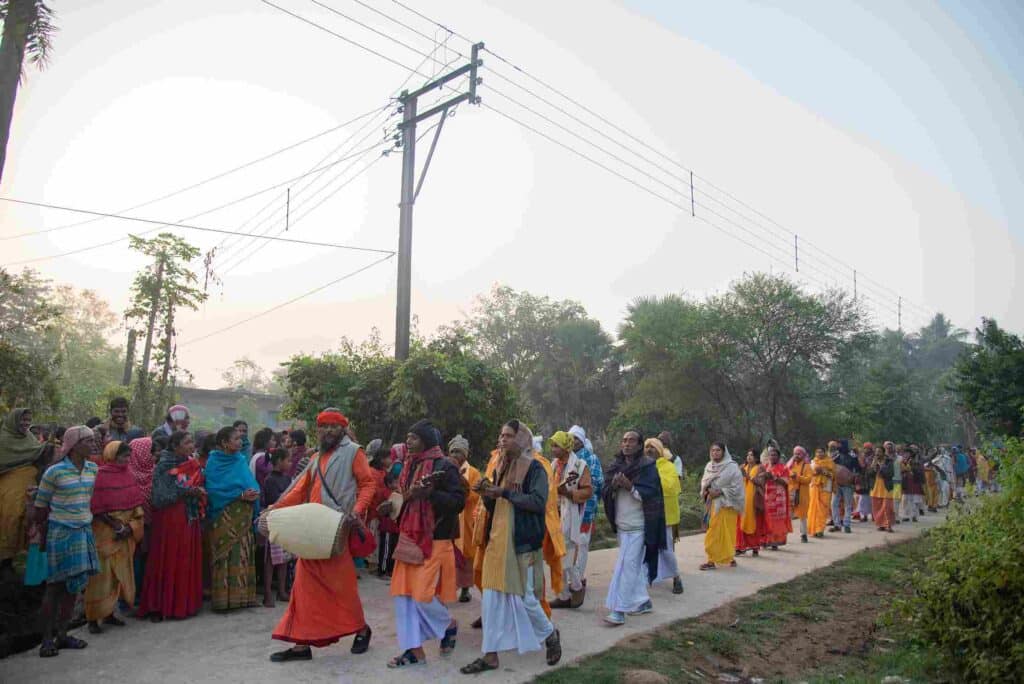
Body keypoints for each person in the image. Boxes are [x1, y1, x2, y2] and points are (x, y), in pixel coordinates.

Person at [266, 409, 375, 663]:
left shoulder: (353, 452)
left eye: (333, 427)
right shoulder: (316, 457)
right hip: (312, 529)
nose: (327, 431)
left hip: (337, 528)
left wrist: (357, 511)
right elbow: (300, 489)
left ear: (342, 429)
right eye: (323, 427)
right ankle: (301, 646)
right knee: (303, 586)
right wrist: (275, 507)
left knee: (341, 586)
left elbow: (368, 484)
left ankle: (361, 629)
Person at [459, 426, 561, 675]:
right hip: (497, 542)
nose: (501, 439)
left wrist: (502, 492)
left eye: (507, 435)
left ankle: (550, 635)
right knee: (491, 601)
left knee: (525, 598)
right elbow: (495, 506)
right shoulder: (500, 465)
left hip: (521, 544)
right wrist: (486, 493)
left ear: (522, 439)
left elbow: (538, 503)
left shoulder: (535, 468)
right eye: (501, 435)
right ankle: (490, 656)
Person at [382, 420, 465, 668]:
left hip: (434, 539)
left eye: (414, 438)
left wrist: (431, 495)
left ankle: (448, 625)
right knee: (403, 596)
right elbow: (406, 498)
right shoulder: (409, 465)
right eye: (407, 437)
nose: (408, 442)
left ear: (427, 441)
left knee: (422, 596)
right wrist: (391, 506)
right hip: (409, 537)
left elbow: (458, 502)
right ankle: (414, 651)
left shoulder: (445, 466)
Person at [33, 426, 100, 657]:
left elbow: (87, 500)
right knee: (55, 588)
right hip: (61, 533)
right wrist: (42, 535)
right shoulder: (55, 472)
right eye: (89, 441)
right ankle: (46, 640)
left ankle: (62, 634)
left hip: (83, 531)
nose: (94, 445)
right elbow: (40, 508)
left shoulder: (93, 469)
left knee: (74, 587)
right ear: (74, 445)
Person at [138, 431, 205, 621]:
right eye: (187, 442)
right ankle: (159, 605)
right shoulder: (165, 465)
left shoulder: (190, 463)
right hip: (170, 518)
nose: (192, 445)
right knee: (167, 559)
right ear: (175, 446)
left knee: (183, 559)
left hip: (188, 516)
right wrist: (189, 491)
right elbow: (160, 496)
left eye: (192, 441)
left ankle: (182, 604)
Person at [602, 429, 665, 626]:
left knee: (627, 566)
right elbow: (605, 490)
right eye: (624, 440)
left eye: (631, 441)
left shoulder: (647, 467)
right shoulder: (616, 466)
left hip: (639, 526)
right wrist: (614, 485)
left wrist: (630, 487)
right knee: (633, 567)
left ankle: (619, 610)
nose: (627, 444)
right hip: (622, 524)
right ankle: (643, 601)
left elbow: (652, 494)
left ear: (639, 445)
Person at [85, 440, 144, 634]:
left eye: (128, 456)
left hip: (125, 531)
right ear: (111, 455)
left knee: (118, 575)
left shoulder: (130, 474)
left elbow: (136, 504)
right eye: (122, 456)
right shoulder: (100, 476)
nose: (126, 460)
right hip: (105, 531)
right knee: (100, 576)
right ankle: (93, 618)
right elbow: (96, 506)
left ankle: (109, 613)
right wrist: (115, 525)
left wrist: (130, 527)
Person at [206, 425, 261, 612]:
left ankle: (244, 598)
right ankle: (224, 600)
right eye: (236, 439)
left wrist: (252, 493)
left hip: (243, 515)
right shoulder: (214, 462)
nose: (240, 441)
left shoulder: (240, 460)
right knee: (225, 556)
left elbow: (250, 482)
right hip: (224, 514)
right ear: (224, 443)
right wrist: (239, 495)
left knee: (243, 554)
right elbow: (213, 490)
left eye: (240, 438)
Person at [550, 430, 594, 609]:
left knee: (566, 554)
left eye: (556, 446)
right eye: (552, 445)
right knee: (556, 556)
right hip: (553, 515)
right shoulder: (553, 465)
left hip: (570, 515)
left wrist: (568, 493)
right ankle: (565, 593)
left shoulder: (580, 465)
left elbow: (588, 491)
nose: (552, 449)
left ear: (566, 447)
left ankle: (575, 587)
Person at [0, 408, 44, 576]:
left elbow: (37, 452)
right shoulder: (3, 440)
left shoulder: (30, 438)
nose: (26, 423)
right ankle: (6, 559)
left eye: (28, 420)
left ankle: (24, 563)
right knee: (11, 517)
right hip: (9, 486)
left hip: (30, 486)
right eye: (22, 420)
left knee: (30, 520)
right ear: (13, 420)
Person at [566, 424, 603, 605]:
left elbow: (597, 482)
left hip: (585, 507)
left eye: (576, 439)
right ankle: (572, 580)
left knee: (581, 543)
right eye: (571, 439)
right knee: (569, 543)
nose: (573, 442)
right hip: (566, 507)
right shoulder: (566, 458)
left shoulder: (591, 458)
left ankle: (578, 580)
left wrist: (578, 487)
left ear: (582, 440)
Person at [646, 437, 684, 594]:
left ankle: (677, 577)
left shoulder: (668, 466)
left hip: (665, 515)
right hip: (647, 514)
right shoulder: (643, 466)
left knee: (666, 549)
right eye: (646, 447)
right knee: (645, 548)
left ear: (659, 451)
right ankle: (646, 578)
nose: (649, 450)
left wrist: (652, 481)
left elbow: (671, 487)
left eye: (652, 447)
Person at [700, 442, 744, 570]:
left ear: (724, 452)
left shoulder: (732, 467)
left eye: (718, 450)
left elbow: (737, 487)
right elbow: (704, 481)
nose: (715, 453)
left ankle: (720, 559)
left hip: (726, 505)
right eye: (713, 450)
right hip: (712, 504)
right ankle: (713, 558)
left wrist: (720, 491)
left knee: (727, 533)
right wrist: (707, 490)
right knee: (713, 531)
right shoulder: (709, 466)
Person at [447, 434, 480, 603]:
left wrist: (462, 494)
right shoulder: (446, 468)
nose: (455, 456)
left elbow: (476, 494)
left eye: (458, 452)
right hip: (450, 518)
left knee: (466, 555)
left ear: (465, 455)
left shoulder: (472, 472)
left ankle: (465, 589)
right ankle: (449, 589)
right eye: (452, 452)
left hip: (466, 519)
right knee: (448, 554)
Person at [261, 448, 293, 606]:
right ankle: (267, 594)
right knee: (270, 560)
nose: (290, 463)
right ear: (279, 461)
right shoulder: (270, 480)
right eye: (288, 460)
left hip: (286, 521)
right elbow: (274, 500)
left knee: (284, 559)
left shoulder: (287, 479)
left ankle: (282, 591)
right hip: (274, 521)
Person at [736, 449, 766, 555]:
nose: (749, 457)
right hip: (742, 499)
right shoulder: (742, 467)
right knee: (740, 523)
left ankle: (754, 547)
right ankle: (740, 547)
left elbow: (761, 482)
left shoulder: (760, 468)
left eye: (752, 455)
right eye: (748, 455)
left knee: (754, 524)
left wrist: (747, 476)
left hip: (753, 501)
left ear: (757, 458)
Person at [762, 446, 792, 549]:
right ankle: (766, 541)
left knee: (777, 520)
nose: (772, 457)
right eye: (771, 455)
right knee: (766, 519)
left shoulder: (784, 468)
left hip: (779, 499)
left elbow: (786, 482)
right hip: (766, 497)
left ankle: (776, 542)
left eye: (775, 455)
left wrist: (774, 477)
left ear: (778, 457)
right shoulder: (764, 467)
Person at [830, 440, 859, 534]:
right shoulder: (836, 456)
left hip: (848, 485)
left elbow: (858, 469)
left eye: (840, 444)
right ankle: (837, 524)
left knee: (848, 505)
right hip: (837, 484)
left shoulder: (853, 457)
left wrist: (852, 477)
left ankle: (847, 525)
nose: (838, 446)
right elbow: (831, 467)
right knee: (834, 504)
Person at [808, 447, 835, 538]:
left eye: (821, 452)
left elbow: (832, 475)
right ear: (815, 453)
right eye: (817, 452)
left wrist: (824, 472)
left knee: (823, 509)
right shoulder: (812, 462)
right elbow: (810, 474)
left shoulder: (830, 462)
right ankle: (813, 529)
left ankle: (820, 530)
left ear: (825, 453)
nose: (819, 454)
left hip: (825, 487)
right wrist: (816, 471)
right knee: (814, 508)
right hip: (814, 487)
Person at [867, 445, 895, 532]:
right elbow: (869, 474)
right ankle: (881, 524)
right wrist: (873, 466)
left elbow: (890, 474)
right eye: (876, 452)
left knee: (887, 507)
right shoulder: (872, 461)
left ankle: (888, 525)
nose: (877, 453)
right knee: (877, 508)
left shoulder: (889, 462)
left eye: (879, 452)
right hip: (875, 487)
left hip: (886, 487)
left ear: (883, 453)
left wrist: (881, 466)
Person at [789, 446, 812, 542]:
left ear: (803, 455)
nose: (797, 456)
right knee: (788, 515)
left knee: (802, 515)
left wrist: (797, 477)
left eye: (799, 454)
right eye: (795, 454)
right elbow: (786, 474)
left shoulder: (807, 466)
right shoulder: (790, 465)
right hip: (791, 493)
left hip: (802, 494)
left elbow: (808, 479)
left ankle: (803, 535)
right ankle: (782, 535)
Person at [854, 443, 874, 522]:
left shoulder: (874, 457)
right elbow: (861, 466)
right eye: (865, 448)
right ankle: (864, 515)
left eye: (868, 448)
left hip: (872, 479)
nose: (867, 450)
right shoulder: (861, 456)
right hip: (863, 479)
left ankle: (874, 514)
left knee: (872, 498)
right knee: (863, 498)